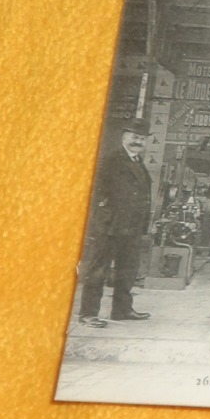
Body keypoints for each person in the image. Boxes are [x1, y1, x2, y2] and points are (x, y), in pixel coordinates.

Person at [77, 118, 154, 327]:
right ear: (124, 137)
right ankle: (88, 314)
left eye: (141, 138)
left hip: (131, 228)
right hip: (109, 228)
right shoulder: (110, 160)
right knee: (98, 270)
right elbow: (95, 192)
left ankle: (121, 310)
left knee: (127, 270)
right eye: (134, 137)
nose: (137, 142)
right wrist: (104, 220)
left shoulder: (137, 161)